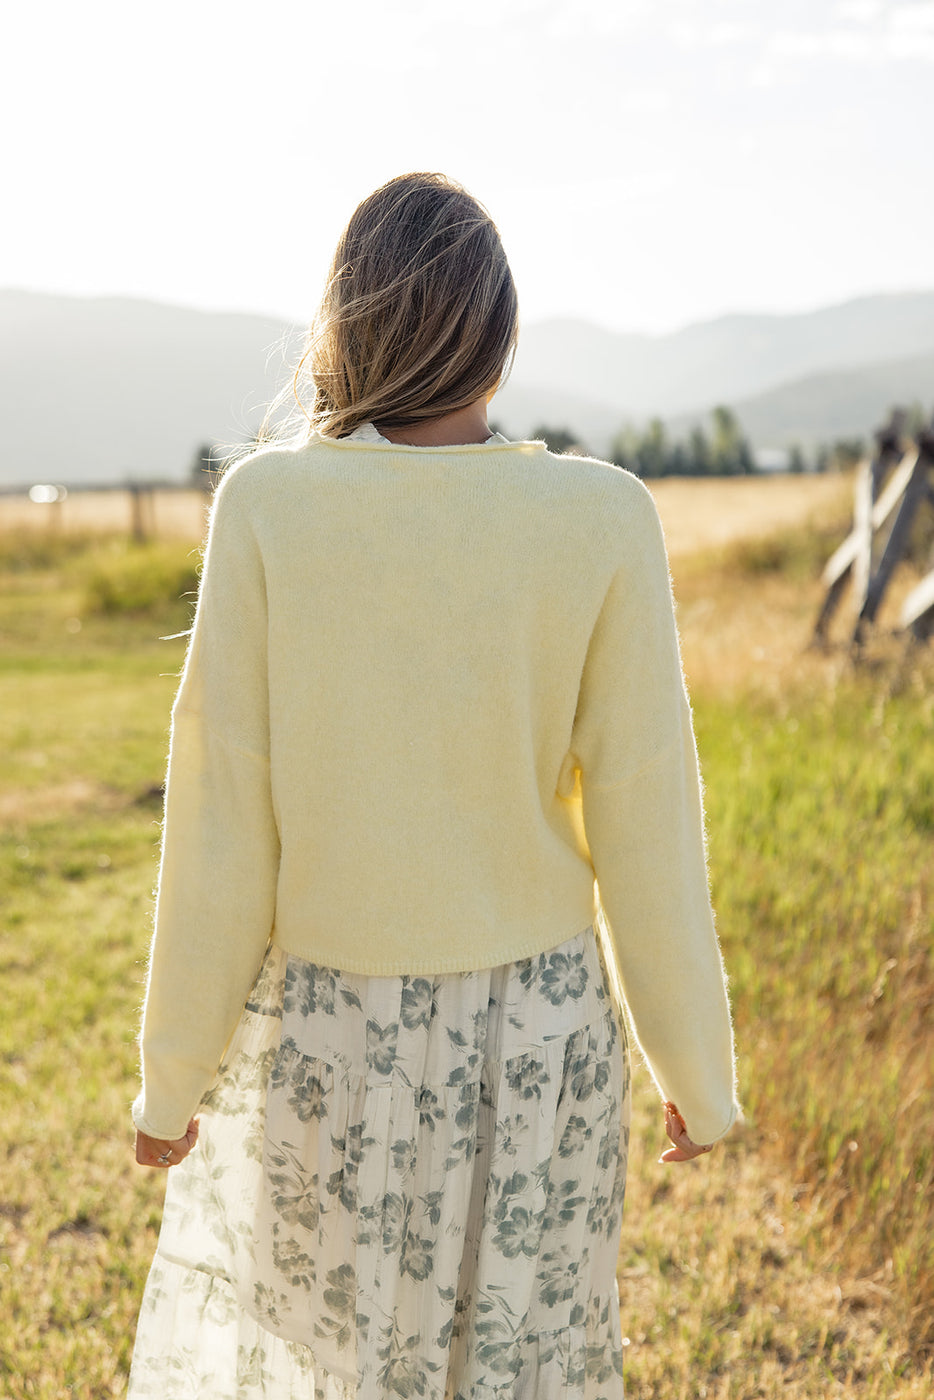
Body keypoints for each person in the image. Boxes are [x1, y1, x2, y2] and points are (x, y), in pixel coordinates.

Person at [129, 172, 738, 1399]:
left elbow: (220, 825)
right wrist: (695, 1070)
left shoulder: (268, 506)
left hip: (334, 1035)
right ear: (501, 337)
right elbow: (646, 823)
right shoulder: (603, 516)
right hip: (542, 1036)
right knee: (521, 1366)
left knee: (342, 1367)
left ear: (340, 324)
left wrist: (172, 1075)